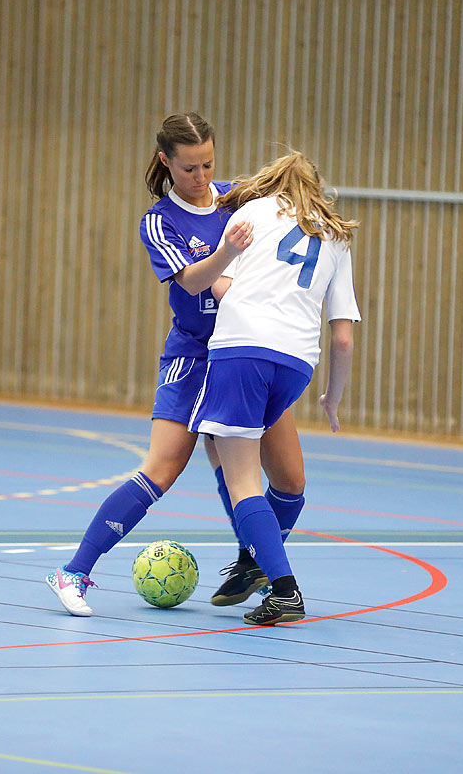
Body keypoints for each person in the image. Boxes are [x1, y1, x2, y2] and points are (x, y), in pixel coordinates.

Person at [45, 115, 308, 617]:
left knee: (290, 480)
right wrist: (226, 254)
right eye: (190, 168)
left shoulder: (239, 198)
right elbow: (191, 282)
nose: (202, 176)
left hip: (249, 355)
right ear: (167, 162)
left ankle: (252, 557)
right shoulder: (161, 220)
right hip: (194, 356)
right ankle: (74, 571)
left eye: (209, 163)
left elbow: (289, 207)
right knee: (162, 469)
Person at [192, 151, 359, 626]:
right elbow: (343, 337)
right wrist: (333, 398)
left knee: (240, 476)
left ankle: (284, 591)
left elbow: (219, 286)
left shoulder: (250, 212)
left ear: (272, 182)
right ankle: (253, 563)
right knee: (268, 473)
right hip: (298, 362)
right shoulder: (335, 235)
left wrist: (253, 294)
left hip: (242, 347)